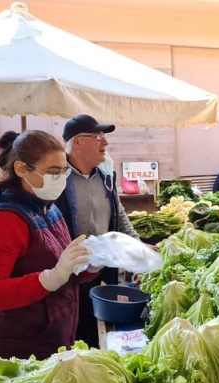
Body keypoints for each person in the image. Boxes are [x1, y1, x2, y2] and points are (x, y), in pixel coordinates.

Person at [0, 130, 96, 361]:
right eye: (53, 172)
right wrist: (51, 277)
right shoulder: (2, 219)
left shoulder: (47, 207)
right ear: (21, 169)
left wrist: (89, 265)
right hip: (17, 352)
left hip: (53, 338)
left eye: (63, 171)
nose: (60, 179)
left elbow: (59, 265)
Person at [55, 114, 139, 348]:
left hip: (103, 274)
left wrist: (137, 245)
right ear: (78, 142)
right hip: (70, 279)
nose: (105, 142)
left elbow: (118, 214)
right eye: (98, 136)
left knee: (102, 330)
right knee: (77, 335)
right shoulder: (57, 180)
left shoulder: (104, 176)